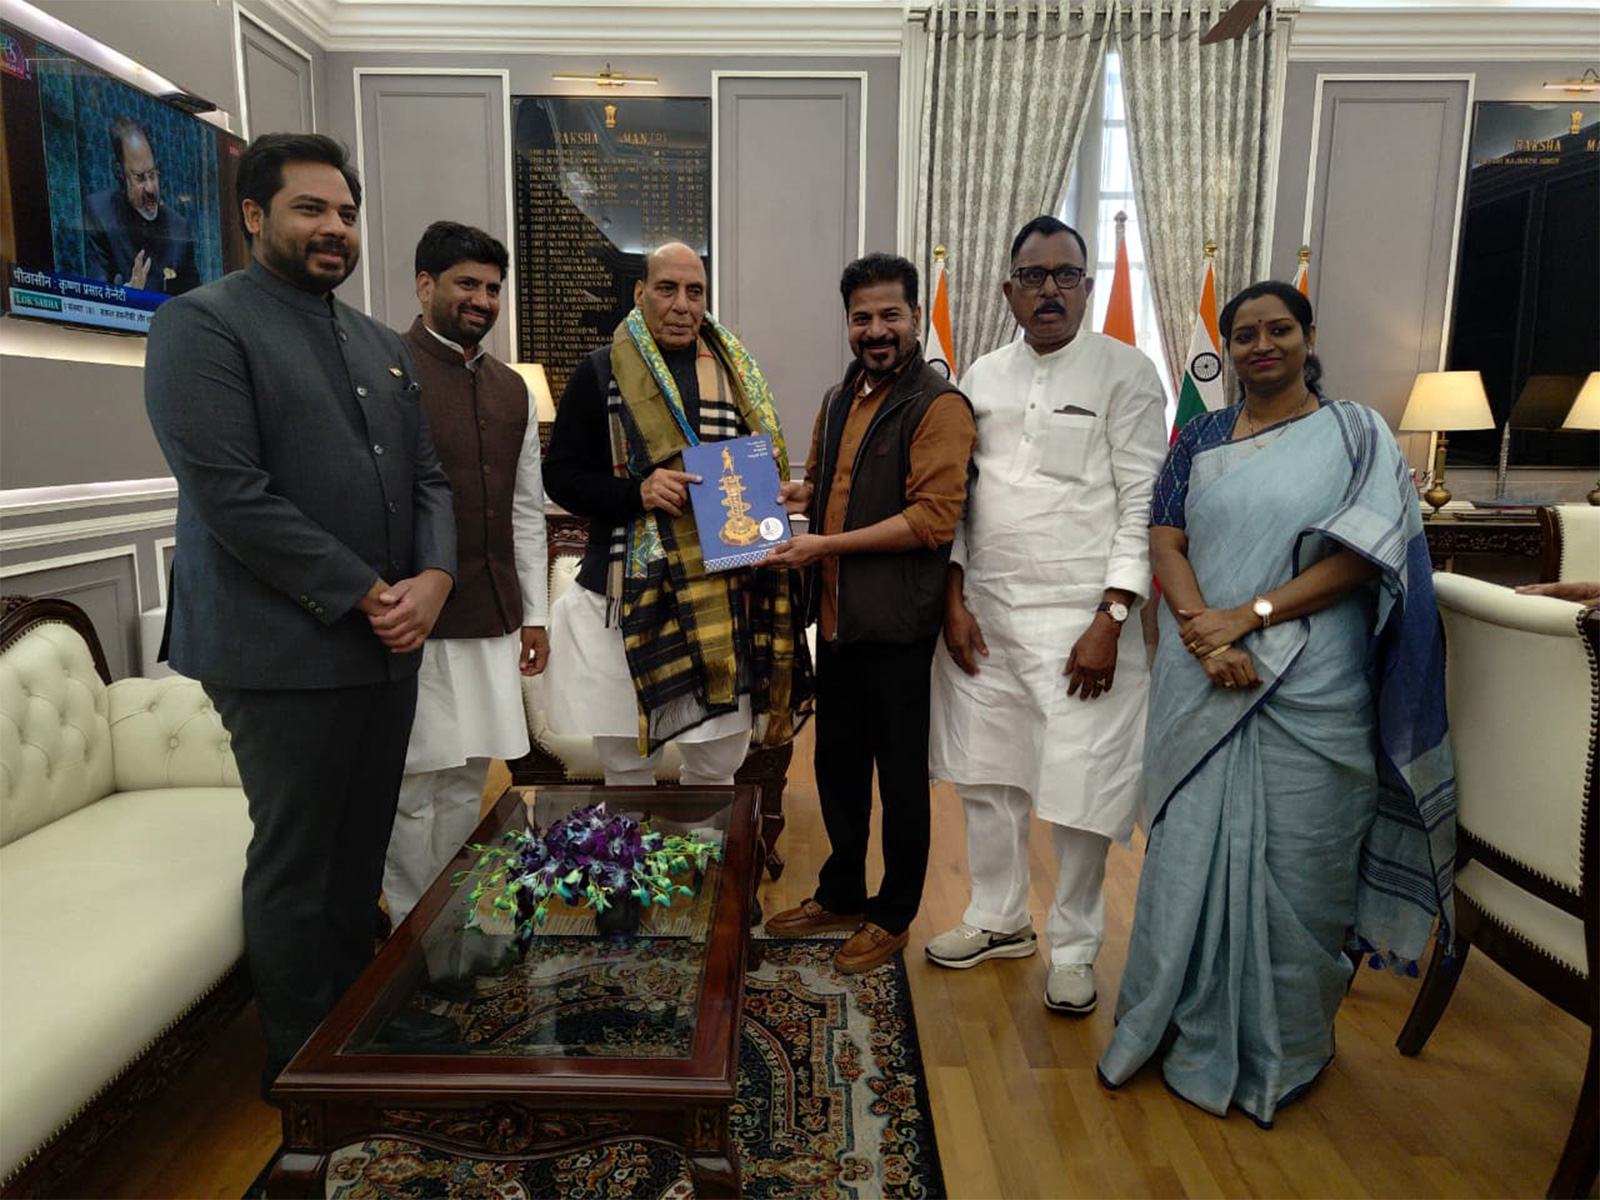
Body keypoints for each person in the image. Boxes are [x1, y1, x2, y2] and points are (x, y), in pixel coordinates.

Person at [1097, 280, 1457, 1127]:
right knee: (1188, 855)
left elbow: (1366, 557)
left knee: (1304, 864)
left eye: (1279, 330)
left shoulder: (1355, 433)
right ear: (1226, 348)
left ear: (1307, 335)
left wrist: (1248, 618)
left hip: (1313, 682)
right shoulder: (1199, 438)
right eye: (1247, 333)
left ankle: (1285, 1048)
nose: (1263, 345)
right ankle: (1168, 1026)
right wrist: (1203, 632)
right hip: (1204, 673)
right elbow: (1165, 538)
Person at [144, 132, 459, 1096]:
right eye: (310, 209)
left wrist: (436, 579)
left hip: (388, 646)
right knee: (298, 860)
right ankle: (304, 1070)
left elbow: (428, 477)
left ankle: (354, 1032)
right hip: (278, 650)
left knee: (360, 846)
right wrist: (370, 591)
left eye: (347, 214)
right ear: (253, 215)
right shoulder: (201, 326)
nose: (334, 230)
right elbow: (233, 496)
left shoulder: (374, 342)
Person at [924, 216, 1168, 1015]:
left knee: (1080, 792)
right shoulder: (978, 379)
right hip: (988, 616)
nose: (1051, 289)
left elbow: (1143, 502)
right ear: (1009, 290)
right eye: (1034, 275)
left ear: (1087, 286)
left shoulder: (1128, 375)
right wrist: (953, 600)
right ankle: (997, 919)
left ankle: (1073, 948)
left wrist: (1113, 615)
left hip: (1084, 624)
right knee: (988, 778)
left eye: (1067, 274)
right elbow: (958, 501)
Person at [762, 253, 977, 975]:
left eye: (891, 315)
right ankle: (842, 891)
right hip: (835, 624)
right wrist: (786, 499)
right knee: (836, 768)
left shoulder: (938, 405)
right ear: (848, 323)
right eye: (863, 317)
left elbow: (932, 520)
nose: (876, 329)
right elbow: (825, 483)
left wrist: (825, 541)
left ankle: (893, 912)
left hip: (897, 629)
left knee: (900, 779)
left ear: (915, 318)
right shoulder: (836, 397)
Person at [540, 242, 808, 786]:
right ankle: (632, 870)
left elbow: (753, 470)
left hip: (722, 597)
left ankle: (705, 868)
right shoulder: (598, 373)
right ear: (640, 294)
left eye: (695, 291)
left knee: (715, 763)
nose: (682, 304)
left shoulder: (738, 375)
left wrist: (775, 494)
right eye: (667, 288)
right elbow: (560, 476)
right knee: (626, 761)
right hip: (625, 595)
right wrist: (636, 493)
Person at [381, 221, 548, 929]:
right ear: (425, 286)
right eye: (466, 285)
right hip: (411, 618)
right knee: (413, 786)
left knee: (468, 777)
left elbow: (526, 510)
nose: (482, 299)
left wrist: (534, 613)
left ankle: (457, 921)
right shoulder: (385, 370)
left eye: (492, 288)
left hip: (489, 615)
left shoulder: (512, 389)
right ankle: (411, 932)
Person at [84, 116, 199, 294]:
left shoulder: (179, 229)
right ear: (119, 173)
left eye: (152, 175)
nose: (151, 189)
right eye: (139, 178)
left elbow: (193, 303)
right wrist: (128, 295)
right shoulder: (99, 211)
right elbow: (96, 294)